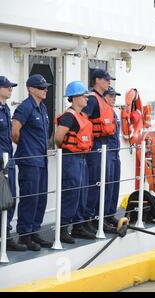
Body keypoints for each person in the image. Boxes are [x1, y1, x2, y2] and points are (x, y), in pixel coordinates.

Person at [12, 74, 53, 251]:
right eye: (41, 87)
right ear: (31, 89)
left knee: (40, 197)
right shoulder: (25, 107)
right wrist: (26, 148)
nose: (45, 90)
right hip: (29, 160)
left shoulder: (42, 108)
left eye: (45, 87)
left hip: (42, 160)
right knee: (29, 197)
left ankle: (34, 230)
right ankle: (24, 234)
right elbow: (14, 132)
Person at [55, 81, 95, 243]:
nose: (87, 99)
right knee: (71, 193)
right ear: (75, 98)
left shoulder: (81, 116)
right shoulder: (68, 117)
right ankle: (63, 228)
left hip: (81, 158)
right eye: (84, 96)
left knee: (81, 193)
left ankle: (78, 226)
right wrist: (66, 150)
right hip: (71, 158)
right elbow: (58, 138)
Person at [82, 69, 117, 234]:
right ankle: (88, 220)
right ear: (97, 80)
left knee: (105, 184)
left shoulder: (102, 99)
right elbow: (83, 120)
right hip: (95, 146)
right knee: (95, 184)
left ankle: (99, 217)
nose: (109, 82)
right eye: (106, 79)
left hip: (105, 146)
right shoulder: (92, 99)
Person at [0, 76, 26, 251]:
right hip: (1, 161)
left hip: (9, 160)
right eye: (7, 86)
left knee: (11, 199)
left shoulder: (6, 109)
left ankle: (6, 235)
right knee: (2, 200)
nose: (10, 89)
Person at [104, 87, 121, 227]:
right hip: (107, 152)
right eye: (111, 96)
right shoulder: (104, 113)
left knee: (114, 185)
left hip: (116, 153)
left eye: (115, 96)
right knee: (106, 185)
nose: (113, 98)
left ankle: (110, 214)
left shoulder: (114, 113)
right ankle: (102, 216)